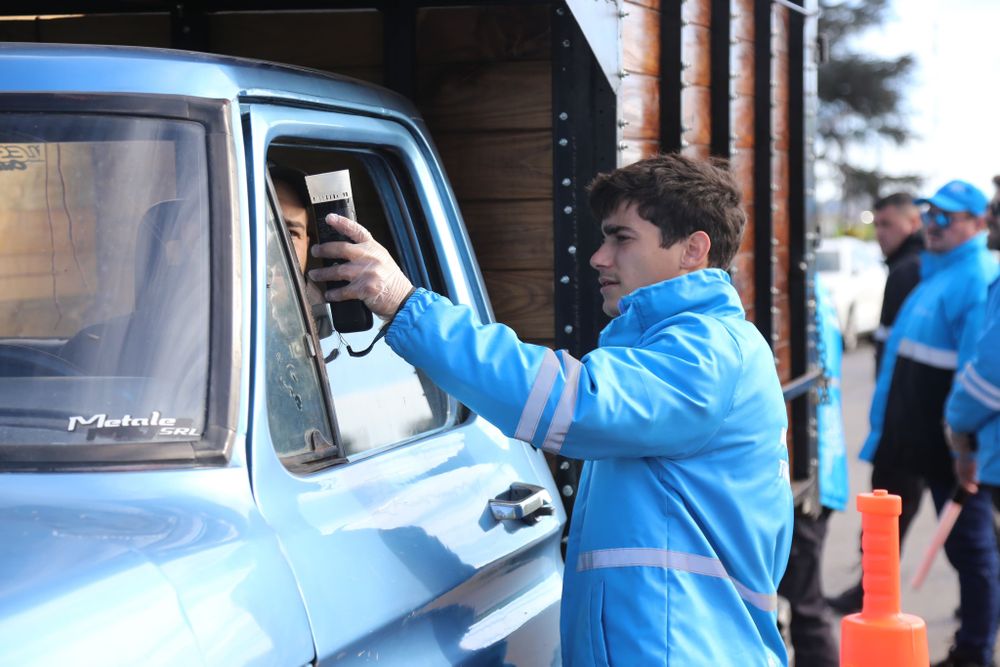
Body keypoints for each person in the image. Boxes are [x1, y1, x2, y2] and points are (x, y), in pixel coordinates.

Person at [309, 154, 794, 665]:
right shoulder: (690, 346)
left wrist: (406, 304)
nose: (598, 258)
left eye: (621, 238)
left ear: (693, 249)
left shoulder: (706, 352)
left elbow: (574, 405)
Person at [859, 180, 1000, 667]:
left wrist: (965, 448)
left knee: (973, 553)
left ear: (979, 223)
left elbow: (976, 373)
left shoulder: (976, 276)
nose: (935, 225)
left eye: (949, 216)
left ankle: (975, 651)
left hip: (951, 449)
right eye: (931, 214)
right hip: (922, 443)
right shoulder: (933, 273)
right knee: (969, 552)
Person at [827, 191, 925, 616]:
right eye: (878, 224)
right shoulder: (913, 267)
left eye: (887, 225)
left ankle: (872, 594)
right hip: (911, 411)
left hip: (907, 415)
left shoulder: (908, 270)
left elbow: (895, 352)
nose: (879, 233)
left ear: (911, 224)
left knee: (891, 500)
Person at [777, 274, 847, 667]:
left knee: (805, 606)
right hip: (823, 465)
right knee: (805, 602)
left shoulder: (801, 290)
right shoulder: (812, 285)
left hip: (814, 470)